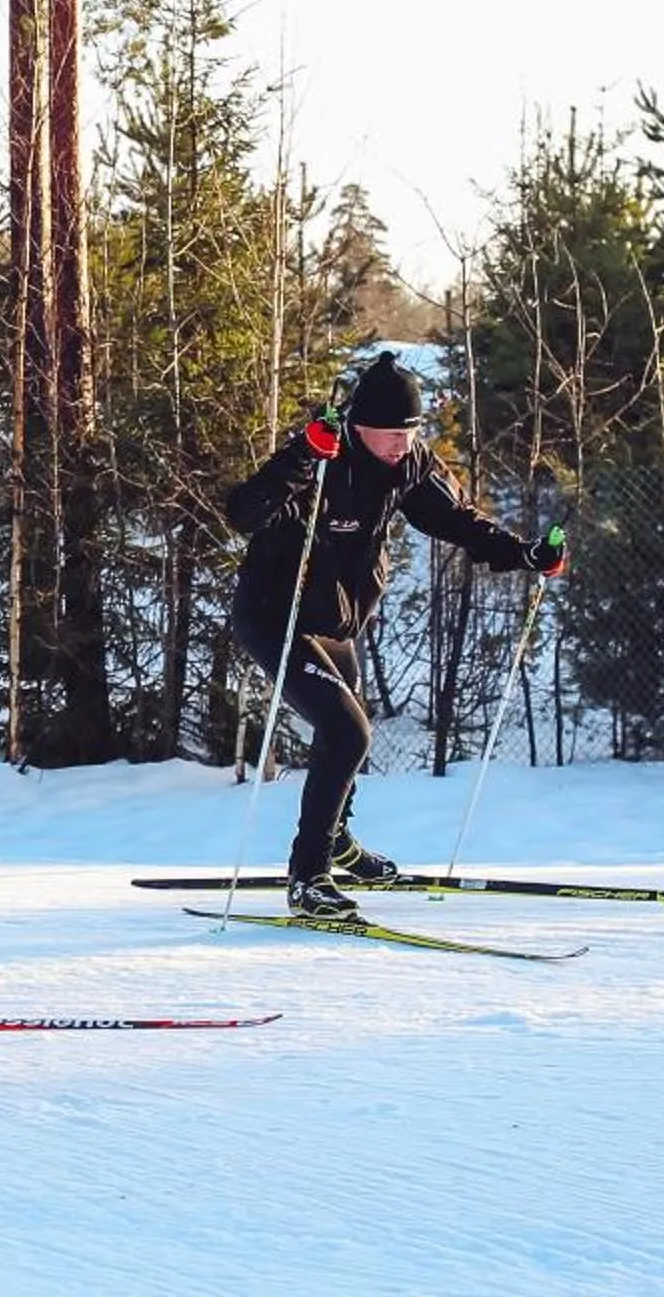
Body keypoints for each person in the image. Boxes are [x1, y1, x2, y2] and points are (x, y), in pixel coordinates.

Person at [223, 350, 564, 918]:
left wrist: (523, 554)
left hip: (334, 626)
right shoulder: (321, 456)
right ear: (359, 427)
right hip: (275, 619)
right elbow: (242, 513)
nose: (400, 445)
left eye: (409, 432)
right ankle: (308, 878)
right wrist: (302, 455)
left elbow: (457, 520)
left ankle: (336, 843)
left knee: (345, 733)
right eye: (388, 435)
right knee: (348, 732)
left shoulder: (410, 464)